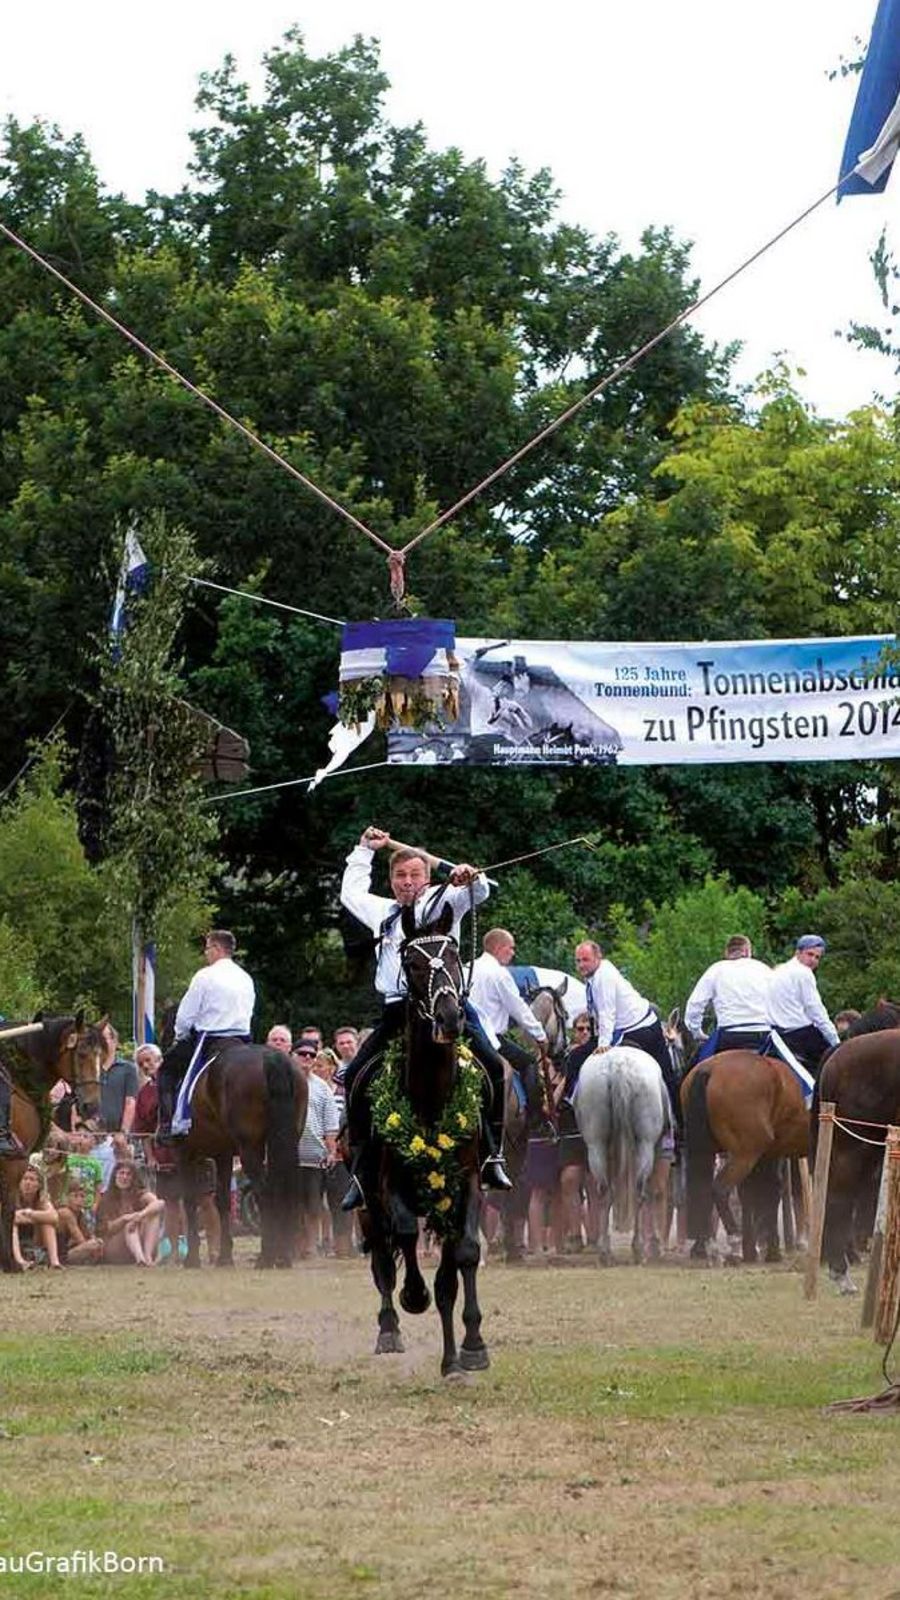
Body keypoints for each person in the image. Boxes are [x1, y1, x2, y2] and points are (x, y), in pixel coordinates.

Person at [338, 825, 509, 1210]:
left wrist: (468, 875)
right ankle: (362, 1172)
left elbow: (481, 891)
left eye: (415, 874)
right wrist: (364, 849)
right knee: (354, 1076)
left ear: (427, 877)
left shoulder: (444, 899)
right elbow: (350, 893)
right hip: (398, 1010)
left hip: (446, 1005)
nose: (407, 882)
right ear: (392, 880)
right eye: (400, 876)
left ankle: (492, 1156)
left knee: (494, 1067)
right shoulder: (381, 911)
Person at [563, 941, 681, 1122]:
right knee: (668, 1077)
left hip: (635, 1030)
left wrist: (603, 1044)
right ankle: (682, 1122)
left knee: (576, 1057)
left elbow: (607, 1012)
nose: (581, 965)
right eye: (578, 961)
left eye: (585, 960)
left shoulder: (603, 978)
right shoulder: (597, 976)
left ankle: (569, 1106)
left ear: (598, 957)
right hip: (646, 1024)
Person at [157, 930, 255, 1142]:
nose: (206, 953)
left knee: (166, 1071)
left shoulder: (205, 976)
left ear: (218, 949)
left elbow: (185, 1016)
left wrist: (180, 1036)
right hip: (242, 1040)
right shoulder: (246, 978)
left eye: (208, 948)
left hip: (211, 1038)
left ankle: (169, 1125)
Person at [468, 928, 551, 1126]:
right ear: (498, 947)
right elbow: (518, 1008)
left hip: (467, 1038)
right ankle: (535, 1119)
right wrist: (540, 1035)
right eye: (510, 948)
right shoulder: (499, 974)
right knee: (529, 1062)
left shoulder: (467, 968)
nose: (513, 953)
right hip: (491, 1040)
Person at [684, 935, 772, 1057]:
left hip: (730, 1035)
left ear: (727, 953)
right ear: (747, 951)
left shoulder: (716, 969)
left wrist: (697, 1032)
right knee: (795, 1069)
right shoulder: (764, 969)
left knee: (694, 1069)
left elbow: (695, 1004)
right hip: (764, 1035)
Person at [768, 935, 840, 1073]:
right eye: (810, 954)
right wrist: (835, 1041)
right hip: (799, 1034)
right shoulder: (804, 973)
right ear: (798, 953)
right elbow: (816, 1011)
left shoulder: (777, 970)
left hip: (776, 1033)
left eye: (817, 957)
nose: (813, 960)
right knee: (834, 1068)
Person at [95, 1160, 165, 1265]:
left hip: (138, 1241)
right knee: (129, 1222)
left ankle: (147, 1257)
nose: (124, 1177)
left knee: (152, 1215)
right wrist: (125, 1219)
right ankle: (140, 1260)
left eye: (128, 1174)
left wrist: (140, 1215)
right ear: (115, 1176)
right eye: (121, 1173)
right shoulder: (106, 1198)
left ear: (133, 1178)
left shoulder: (139, 1194)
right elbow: (107, 1229)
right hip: (114, 1245)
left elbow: (160, 1203)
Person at [12, 1164, 62, 1269]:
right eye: (25, 1179)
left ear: (38, 1185)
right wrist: (34, 1217)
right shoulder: (12, 1196)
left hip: (34, 1237)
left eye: (32, 1179)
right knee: (11, 1225)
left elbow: (54, 1217)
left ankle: (55, 1262)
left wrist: (30, 1213)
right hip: (12, 1238)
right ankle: (19, 1261)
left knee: (47, 1223)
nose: (28, 1183)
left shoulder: (42, 1198)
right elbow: (8, 1218)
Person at [98, 1021, 139, 1136]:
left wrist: (123, 1132)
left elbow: (130, 1101)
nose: (101, 1043)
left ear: (114, 1041)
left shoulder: (128, 1068)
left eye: (104, 1039)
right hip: (91, 1136)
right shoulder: (90, 1070)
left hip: (117, 1136)